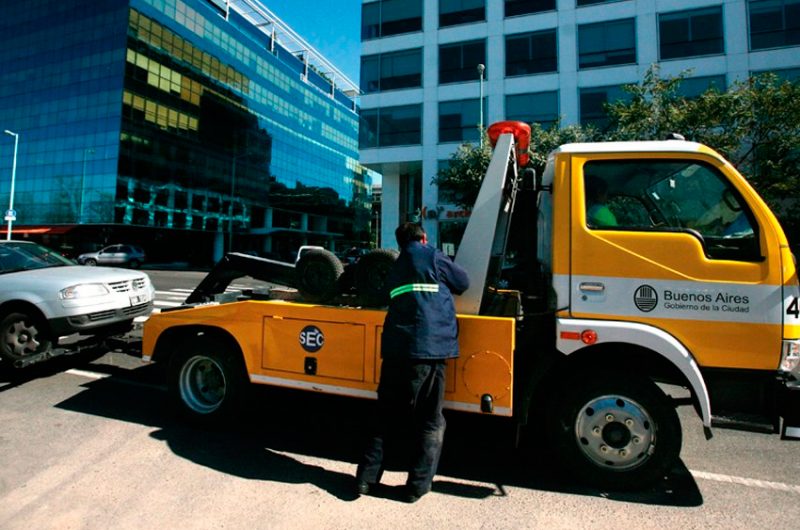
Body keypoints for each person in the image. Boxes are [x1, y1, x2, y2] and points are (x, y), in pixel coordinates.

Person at [355, 222, 470, 503]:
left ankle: (365, 481)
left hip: (396, 350)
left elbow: (383, 296)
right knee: (430, 420)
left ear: (399, 243)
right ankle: (416, 487)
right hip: (429, 350)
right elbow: (463, 283)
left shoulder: (394, 266)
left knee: (383, 417)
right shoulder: (432, 255)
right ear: (424, 237)